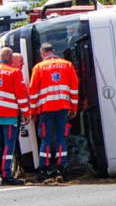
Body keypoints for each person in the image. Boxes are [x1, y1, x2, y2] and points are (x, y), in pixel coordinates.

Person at [0, 47, 30, 186]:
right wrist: (26, 113)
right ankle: (6, 175)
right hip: (9, 115)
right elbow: (20, 95)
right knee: (9, 145)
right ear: (11, 58)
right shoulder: (14, 72)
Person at [29, 42, 79, 182]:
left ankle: (43, 171)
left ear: (42, 54)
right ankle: (61, 170)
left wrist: (32, 111)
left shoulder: (39, 67)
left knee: (45, 139)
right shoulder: (67, 65)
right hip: (63, 108)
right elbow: (74, 88)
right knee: (61, 138)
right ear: (54, 51)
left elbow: (33, 91)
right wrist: (73, 108)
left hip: (46, 109)